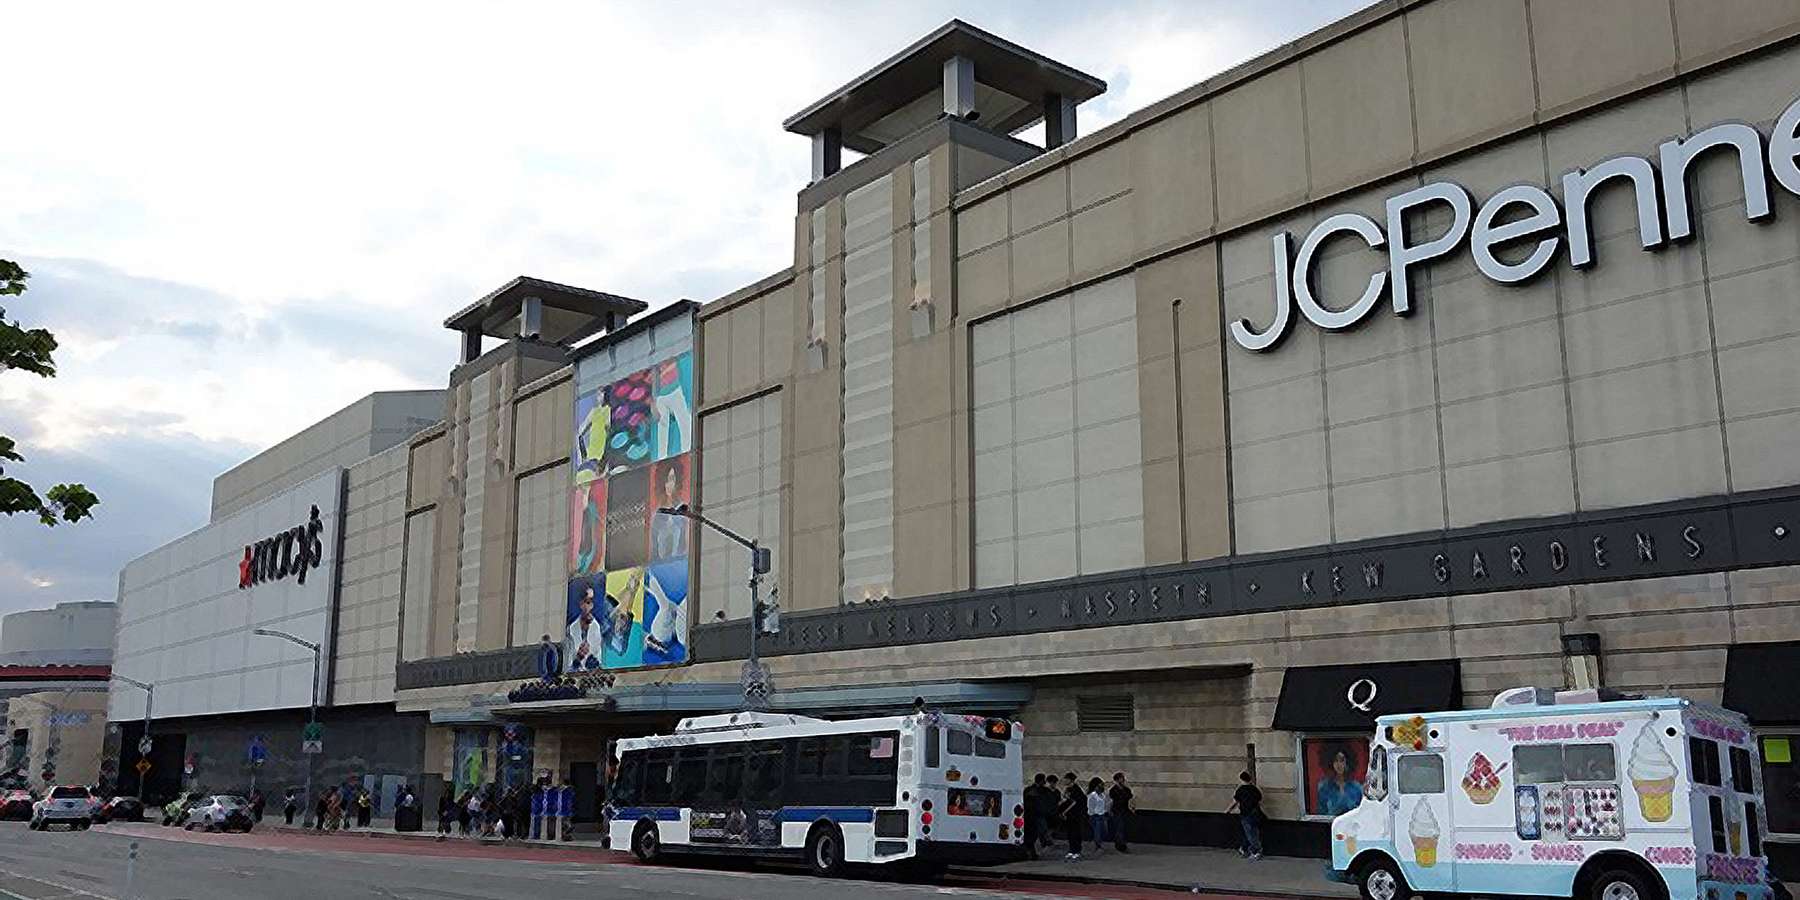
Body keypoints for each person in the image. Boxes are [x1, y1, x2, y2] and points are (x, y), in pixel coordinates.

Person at [565, 586, 605, 671]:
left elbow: (598, 656)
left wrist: (591, 662)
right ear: (581, 604)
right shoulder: (571, 628)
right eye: (586, 602)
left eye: (590, 602)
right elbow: (569, 663)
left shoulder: (597, 627)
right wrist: (578, 658)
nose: (588, 606)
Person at [1316, 746, 1364, 816]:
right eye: (1336, 760)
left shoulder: (1357, 788)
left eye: (1342, 760)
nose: (1339, 765)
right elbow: (1321, 815)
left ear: (1347, 762)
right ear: (1331, 763)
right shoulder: (1324, 788)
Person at [1228, 771, 1264, 860]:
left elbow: (1235, 802)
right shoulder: (1254, 789)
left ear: (1241, 779)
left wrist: (1229, 810)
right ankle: (1244, 848)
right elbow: (1259, 800)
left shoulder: (1240, 790)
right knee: (1254, 832)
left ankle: (1256, 851)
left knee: (1249, 833)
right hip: (1255, 813)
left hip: (1245, 813)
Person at [1022, 774, 1048, 859]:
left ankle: (1031, 852)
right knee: (1033, 835)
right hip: (1034, 816)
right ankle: (1031, 852)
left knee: (1033, 835)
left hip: (1033, 816)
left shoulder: (1030, 790)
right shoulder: (1035, 791)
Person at [1107, 772, 1133, 853]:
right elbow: (1111, 801)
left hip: (1125, 810)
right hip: (1117, 811)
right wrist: (1109, 810)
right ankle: (1121, 845)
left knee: (1123, 828)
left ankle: (1121, 843)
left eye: (1123, 779)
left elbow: (1130, 798)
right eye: (1120, 779)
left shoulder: (1126, 790)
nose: (1122, 780)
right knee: (1119, 828)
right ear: (1116, 780)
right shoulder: (1113, 790)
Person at [1085, 778, 1109, 853]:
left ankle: (1099, 844)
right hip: (1095, 816)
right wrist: (1093, 815)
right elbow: (1090, 806)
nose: (1102, 786)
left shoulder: (1102, 795)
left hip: (1102, 815)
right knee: (1097, 832)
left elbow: (1104, 804)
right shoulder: (1092, 795)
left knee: (1104, 831)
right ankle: (1098, 846)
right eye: (1100, 785)